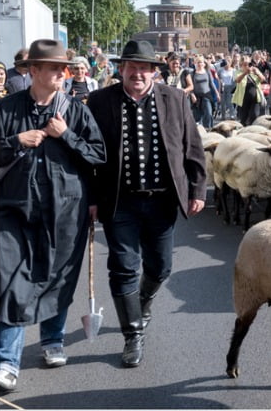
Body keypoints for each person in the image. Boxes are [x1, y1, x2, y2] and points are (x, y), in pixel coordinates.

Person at [86, 40, 207, 368]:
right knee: (123, 267)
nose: (137, 73)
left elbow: (192, 146)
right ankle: (133, 333)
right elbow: (89, 157)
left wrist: (198, 189)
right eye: (131, 66)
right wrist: (92, 198)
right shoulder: (99, 101)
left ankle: (142, 301)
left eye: (144, 67)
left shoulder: (176, 99)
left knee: (161, 266)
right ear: (120, 69)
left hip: (162, 200)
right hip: (119, 202)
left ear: (154, 71)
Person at [0, 40, 106, 393]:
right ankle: (7, 360)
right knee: (11, 280)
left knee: (58, 278)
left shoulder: (75, 110)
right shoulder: (7, 109)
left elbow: (97, 156)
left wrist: (67, 136)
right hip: (14, 207)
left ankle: (52, 341)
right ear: (33, 71)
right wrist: (15, 140)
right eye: (55, 68)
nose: (63, 73)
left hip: (65, 209)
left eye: (65, 68)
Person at [232, 56, 266, 125]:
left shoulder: (255, 70)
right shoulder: (238, 72)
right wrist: (245, 73)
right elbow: (237, 80)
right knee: (243, 118)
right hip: (243, 99)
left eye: (249, 64)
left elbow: (263, 79)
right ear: (241, 64)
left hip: (255, 98)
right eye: (245, 64)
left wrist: (257, 73)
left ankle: (252, 130)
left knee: (255, 115)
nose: (247, 66)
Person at [183, 55, 215, 129]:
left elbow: (211, 83)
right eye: (198, 62)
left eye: (201, 62)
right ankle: (198, 131)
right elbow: (189, 85)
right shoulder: (192, 73)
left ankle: (208, 129)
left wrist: (217, 93)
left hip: (206, 95)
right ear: (195, 63)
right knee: (197, 116)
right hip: (196, 97)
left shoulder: (207, 72)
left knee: (209, 113)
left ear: (204, 64)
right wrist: (192, 94)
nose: (199, 64)